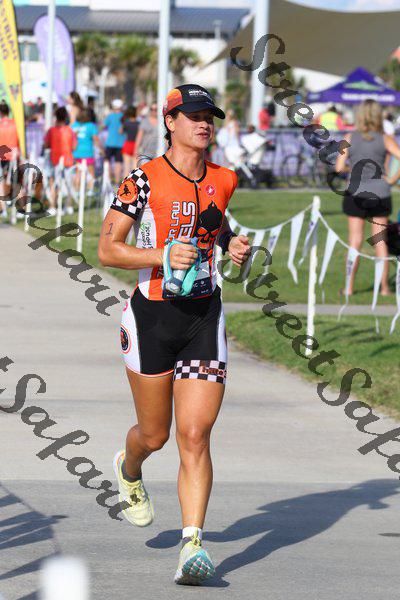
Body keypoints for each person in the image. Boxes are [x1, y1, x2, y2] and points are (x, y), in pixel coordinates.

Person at [98, 83, 250, 586]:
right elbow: (107, 249)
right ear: (171, 122)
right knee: (155, 435)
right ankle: (130, 467)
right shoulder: (142, 179)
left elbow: (213, 220)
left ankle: (192, 545)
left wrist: (231, 243)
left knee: (195, 434)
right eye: (194, 115)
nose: (204, 123)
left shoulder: (225, 178)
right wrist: (161, 255)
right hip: (152, 319)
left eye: (210, 116)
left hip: (204, 317)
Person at [336, 99, 400, 296]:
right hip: (380, 193)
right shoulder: (385, 138)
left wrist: (352, 169)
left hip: (355, 193)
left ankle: (348, 288)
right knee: (380, 242)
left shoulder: (349, 137)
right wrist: (392, 180)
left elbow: (338, 167)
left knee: (354, 241)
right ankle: (385, 288)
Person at [44, 106, 77, 216]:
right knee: (68, 183)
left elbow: (46, 145)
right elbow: (74, 146)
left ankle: (52, 206)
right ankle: (69, 206)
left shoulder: (51, 130)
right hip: (68, 159)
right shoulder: (70, 130)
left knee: (53, 183)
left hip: (55, 160)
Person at [71, 107, 103, 196]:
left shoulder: (74, 125)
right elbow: (95, 139)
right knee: (91, 172)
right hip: (88, 152)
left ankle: (76, 191)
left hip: (76, 153)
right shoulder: (91, 126)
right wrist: (101, 149)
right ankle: (90, 190)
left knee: (78, 172)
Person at [0, 101, 19, 219]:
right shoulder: (15, 124)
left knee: (2, 182)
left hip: (2, 155)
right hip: (13, 155)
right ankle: (18, 208)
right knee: (16, 181)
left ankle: (3, 209)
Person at [103, 98, 126, 182]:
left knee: (107, 161)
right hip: (121, 143)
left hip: (110, 142)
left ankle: (108, 179)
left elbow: (103, 125)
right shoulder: (124, 117)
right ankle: (117, 181)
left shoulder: (110, 116)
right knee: (118, 162)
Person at [120, 106, 139, 176]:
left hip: (128, 144)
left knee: (126, 167)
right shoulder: (139, 123)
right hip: (136, 145)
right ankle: (134, 181)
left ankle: (125, 182)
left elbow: (120, 131)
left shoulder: (126, 123)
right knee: (135, 167)